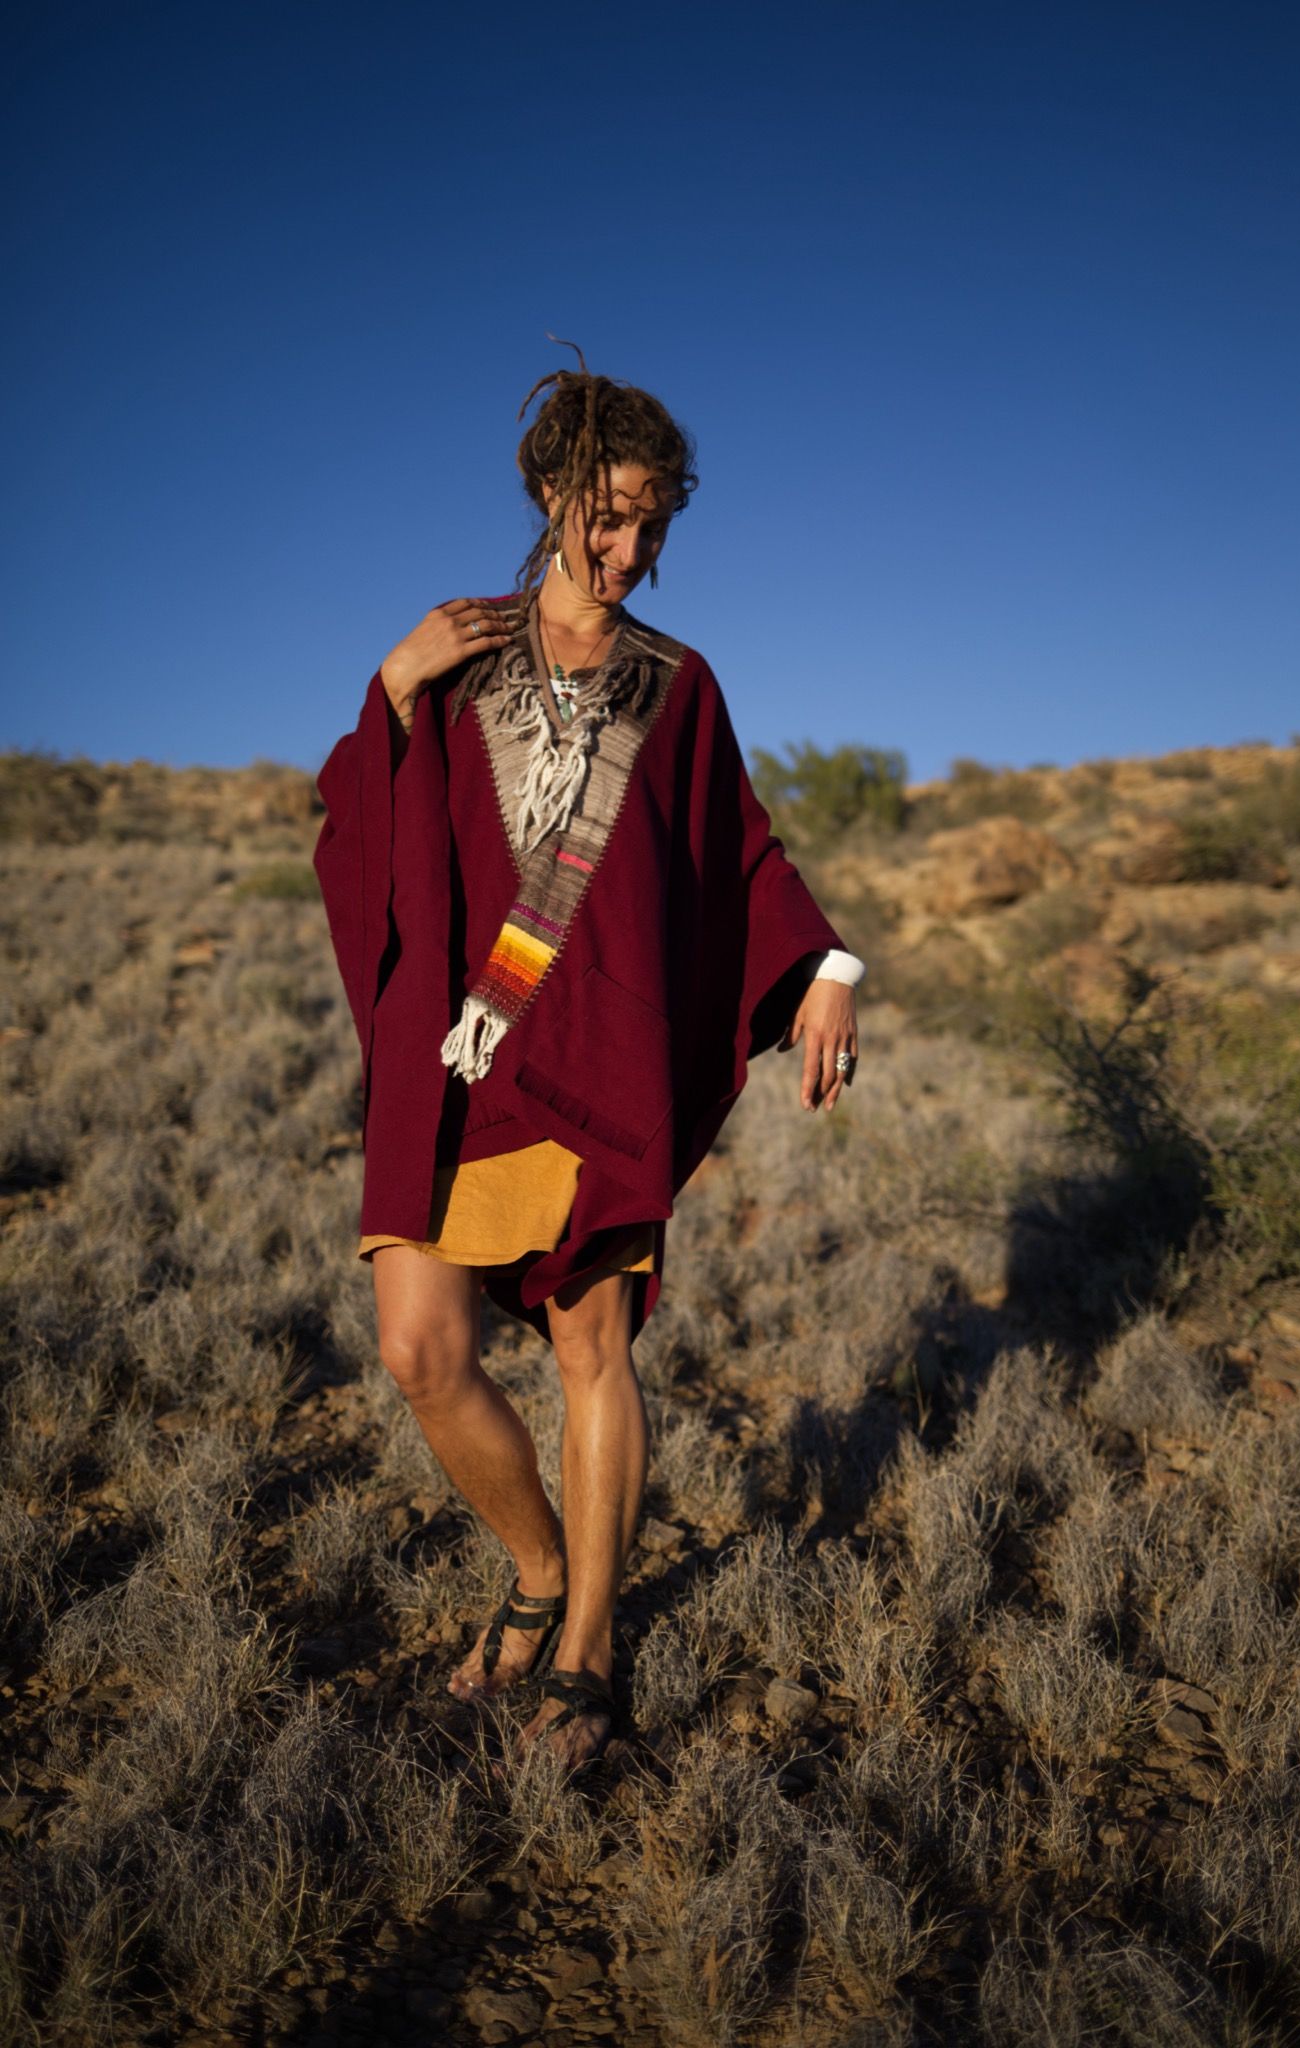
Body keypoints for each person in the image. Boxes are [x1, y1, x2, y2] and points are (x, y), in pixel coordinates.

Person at [312, 352, 864, 1772]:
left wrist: (823, 972)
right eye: (606, 517)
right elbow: (355, 835)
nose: (629, 552)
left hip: (598, 1054)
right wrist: (390, 683)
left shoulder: (678, 686)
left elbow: (737, 853)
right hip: (455, 1061)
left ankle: (591, 1652)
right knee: (421, 1350)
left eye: (653, 525)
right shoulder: (460, 653)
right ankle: (544, 1570)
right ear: (550, 493)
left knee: (589, 1348)